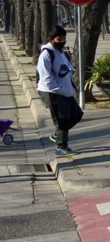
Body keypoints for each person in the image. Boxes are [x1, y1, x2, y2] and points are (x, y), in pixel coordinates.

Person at [36, 26, 81, 157]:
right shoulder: (46, 55)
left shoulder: (61, 52)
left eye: (64, 38)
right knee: (62, 119)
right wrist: (61, 90)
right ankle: (61, 146)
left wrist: (70, 89)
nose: (62, 41)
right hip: (51, 91)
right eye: (59, 39)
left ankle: (57, 135)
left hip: (65, 91)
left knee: (77, 114)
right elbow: (46, 78)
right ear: (51, 39)